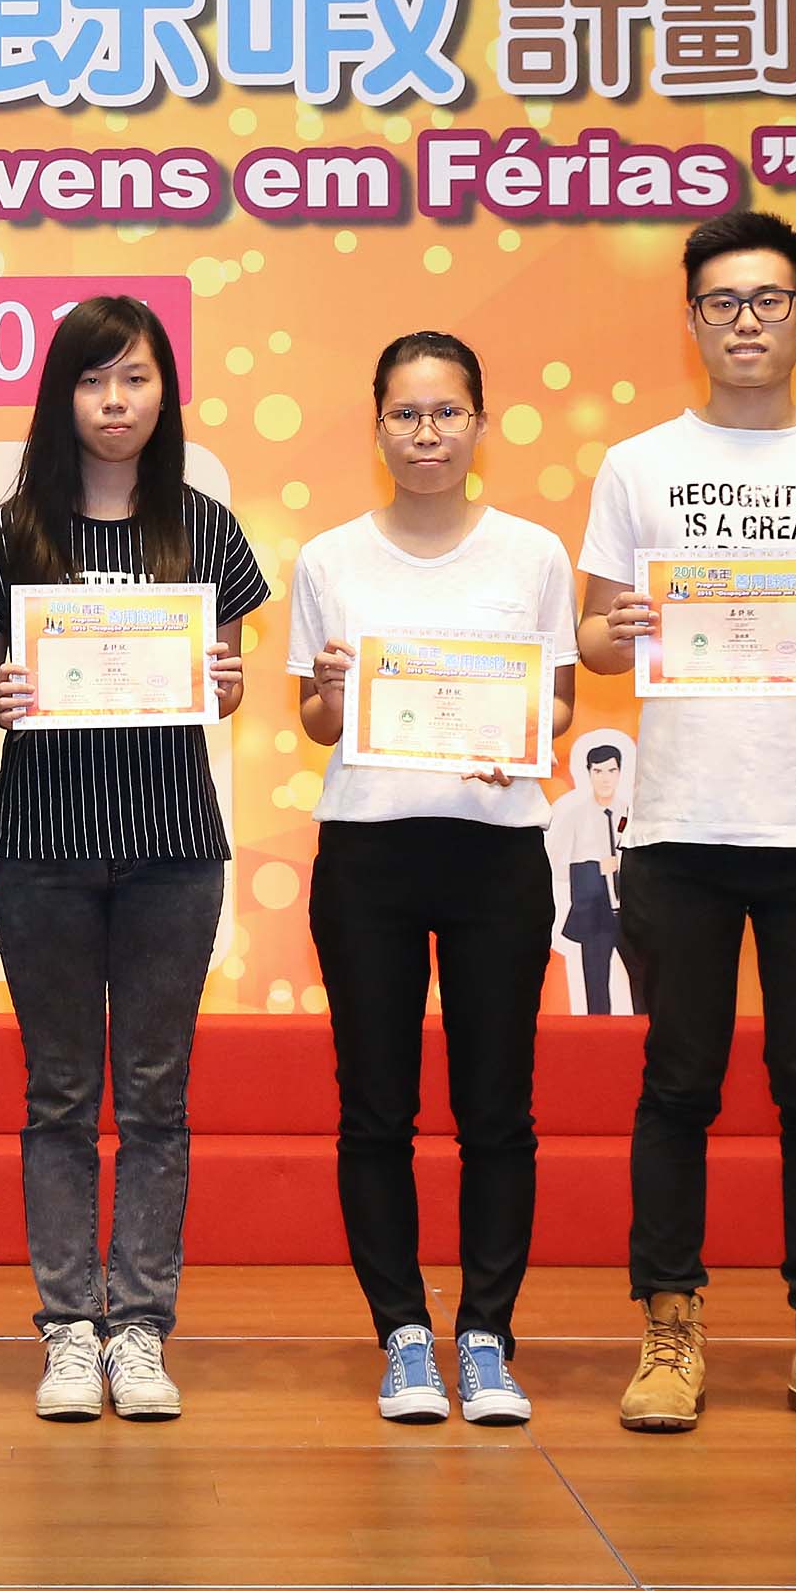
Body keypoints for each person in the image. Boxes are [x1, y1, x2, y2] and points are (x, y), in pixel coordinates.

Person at [576, 207, 796, 1437]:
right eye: (722, 302)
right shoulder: (639, 465)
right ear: (691, 319)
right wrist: (616, 629)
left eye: (769, 299)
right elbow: (593, 638)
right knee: (677, 1081)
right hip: (680, 824)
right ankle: (669, 1330)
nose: (746, 322)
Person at [0, 294, 269, 1423]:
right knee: (58, 1095)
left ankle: (138, 1326)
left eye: (135, 378)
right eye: (93, 380)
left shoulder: (204, 525)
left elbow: (223, 680)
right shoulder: (11, 532)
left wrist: (225, 683)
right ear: (61, 395)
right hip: (44, 846)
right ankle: (67, 1328)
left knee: (155, 1098)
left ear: (164, 393)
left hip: (171, 850)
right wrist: (1, 695)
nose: (114, 401)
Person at [289, 331, 575, 1427]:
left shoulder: (532, 553)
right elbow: (317, 721)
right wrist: (328, 691)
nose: (426, 433)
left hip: (497, 850)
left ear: (479, 423)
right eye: (405, 414)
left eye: (447, 412)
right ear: (377, 428)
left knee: (497, 1109)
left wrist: (525, 730)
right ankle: (404, 1336)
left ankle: (488, 1336)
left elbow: (558, 703)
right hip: (369, 853)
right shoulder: (329, 559)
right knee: (376, 1109)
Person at [548, 738, 635, 1017]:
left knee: (642, 978)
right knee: (596, 983)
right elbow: (557, 862)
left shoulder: (631, 812)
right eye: (598, 771)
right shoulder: (575, 816)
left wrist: (621, 864)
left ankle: (644, 1030)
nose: (605, 778)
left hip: (633, 909)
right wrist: (596, 868)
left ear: (620, 772)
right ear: (588, 773)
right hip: (595, 912)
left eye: (611, 770)